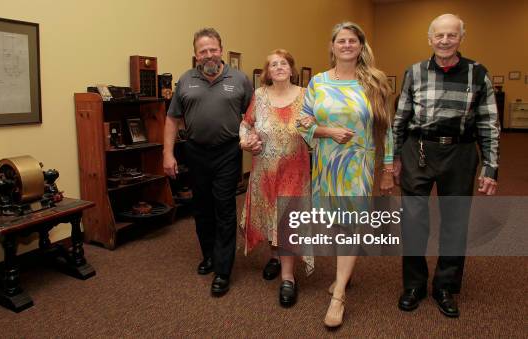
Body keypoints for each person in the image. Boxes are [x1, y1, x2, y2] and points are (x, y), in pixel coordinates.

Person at [393, 14, 500, 318]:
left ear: (460, 38)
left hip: (461, 153)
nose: (444, 40)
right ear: (430, 39)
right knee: (413, 220)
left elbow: (489, 123)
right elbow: (400, 119)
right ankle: (413, 285)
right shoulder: (413, 72)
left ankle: (445, 286)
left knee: (455, 222)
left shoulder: (478, 73)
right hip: (419, 150)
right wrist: (395, 159)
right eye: (439, 35)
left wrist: (491, 167)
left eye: (451, 35)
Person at [298, 22, 394, 327]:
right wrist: (327, 131)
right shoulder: (318, 82)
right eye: (342, 40)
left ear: (361, 46)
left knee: (351, 224)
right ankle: (345, 274)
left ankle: (338, 294)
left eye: (353, 41)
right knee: (335, 223)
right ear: (332, 46)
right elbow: (302, 124)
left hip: (358, 166)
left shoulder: (374, 82)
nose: (347, 45)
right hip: (327, 163)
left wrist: (388, 168)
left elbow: (386, 128)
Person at [163, 28, 253, 297]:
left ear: (221, 50)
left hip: (228, 152)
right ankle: (210, 256)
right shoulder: (185, 80)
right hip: (195, 151)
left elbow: (253, 115)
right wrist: (167, 154)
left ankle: (223, 270)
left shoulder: (239, 79)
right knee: (200, 207)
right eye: (203, 51)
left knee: (224, 206)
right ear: (195, 55)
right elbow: (171, 119)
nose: (209, 54)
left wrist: (254, 140)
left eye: (213, 49)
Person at [238, 49, 313, 308]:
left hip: (295, 170)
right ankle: (275, 257)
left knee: (287, 220)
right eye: (273, 64)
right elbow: (246, 125)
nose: (279, 67)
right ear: (267, 73)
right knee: (271, 213)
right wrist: (245, 141)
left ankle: (288, 278)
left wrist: (313, 125)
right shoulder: (259, 96)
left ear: (291, 69)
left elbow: (316, 130)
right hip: (265, 171)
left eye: (283, 63)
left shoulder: (306, 96)